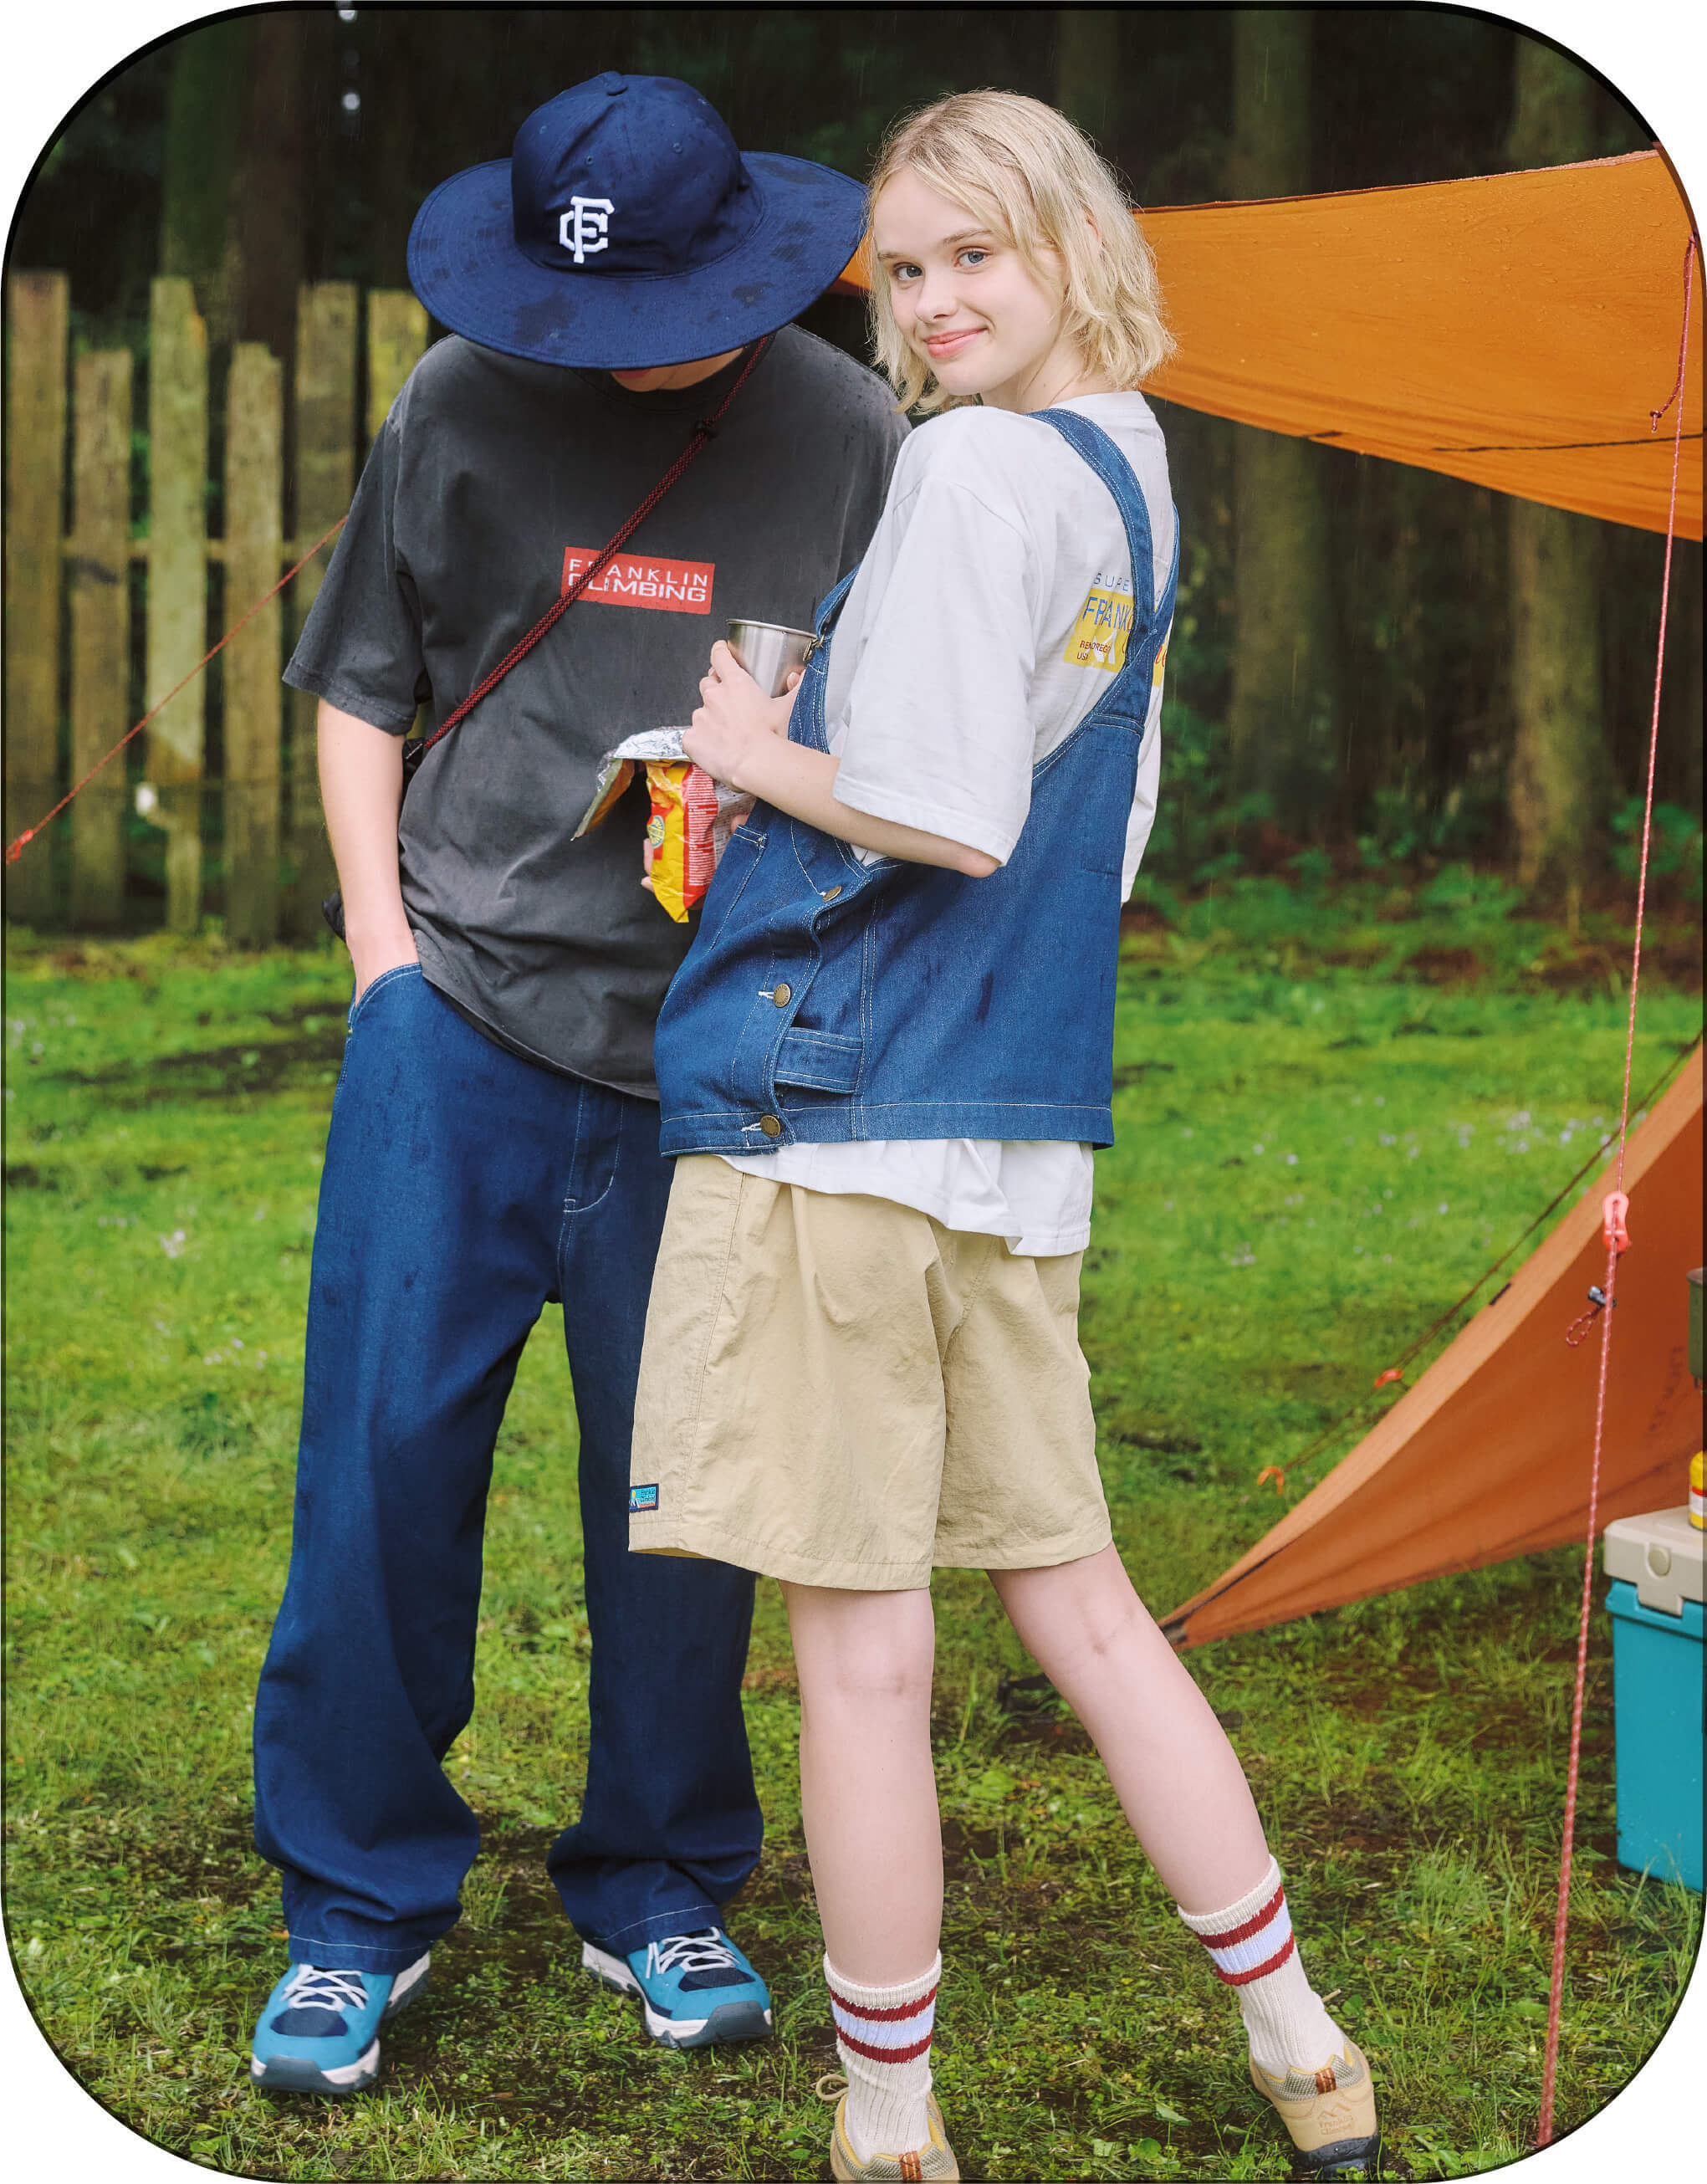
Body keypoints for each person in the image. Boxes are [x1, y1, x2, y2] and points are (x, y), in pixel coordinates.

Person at [628, 91, 1382, 2181]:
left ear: (1070, 238)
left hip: (838, 1105)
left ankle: (889, 2118)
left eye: (978, 252)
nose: (936, 300)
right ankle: (1304, 2045)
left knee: (866, 1666)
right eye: (905, 266)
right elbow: (1076, 831)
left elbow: (947, 817)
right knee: (1088, 1609)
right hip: (1015, 1121)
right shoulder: (1130, 466)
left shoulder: (965, 470)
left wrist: (757, 747)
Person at [246, 73, 907, 2098]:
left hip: (713, 1051)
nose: (617, 353)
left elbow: (911, 742)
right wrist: (381, 963)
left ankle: (660, 1879)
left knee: (680, 1493)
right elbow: (362, 686)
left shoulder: (852, 435)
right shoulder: (456, 398)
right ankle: (355, 1905)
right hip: (456, 1014)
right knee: (383, 1465)